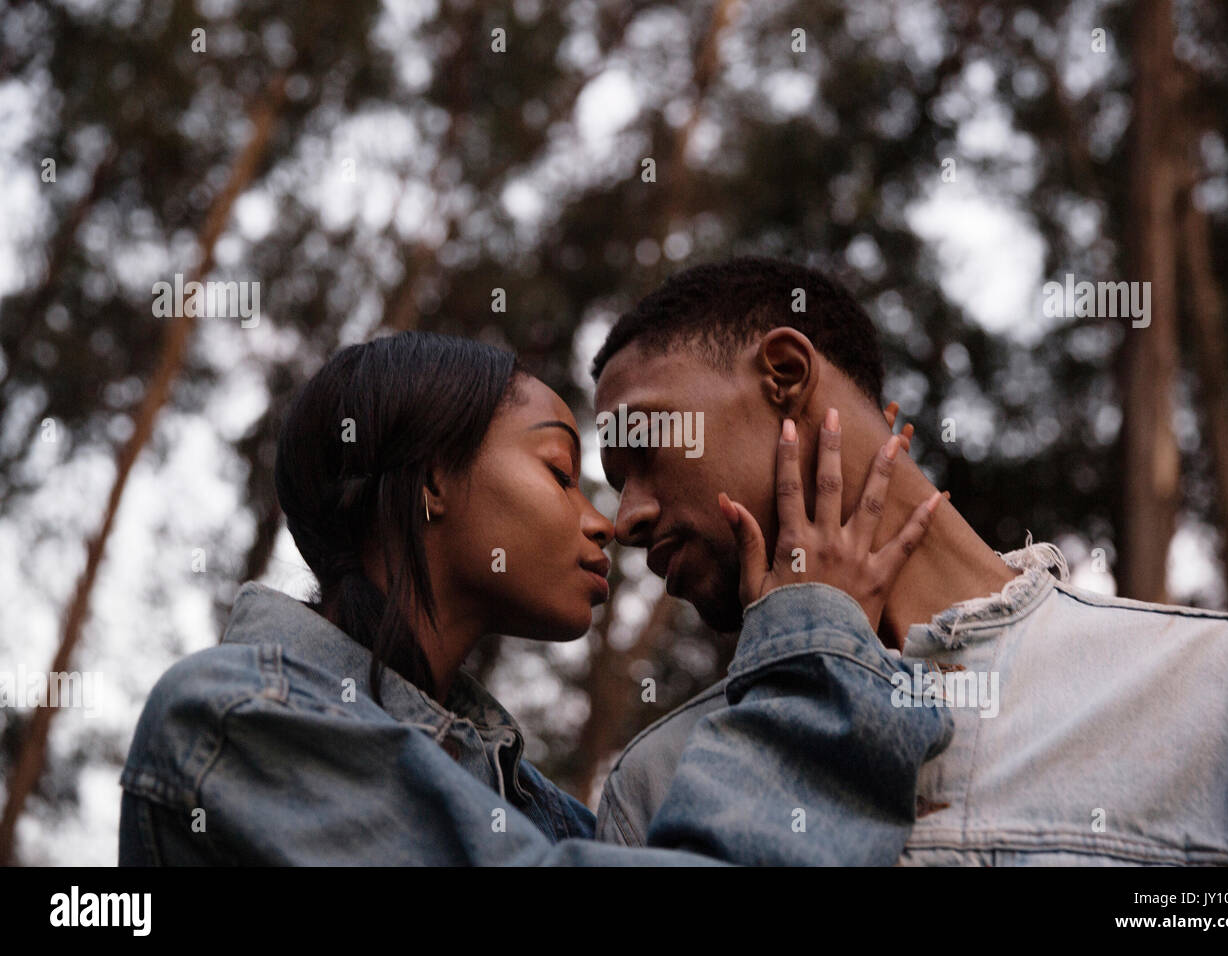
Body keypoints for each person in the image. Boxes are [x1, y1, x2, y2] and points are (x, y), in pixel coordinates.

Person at [117, 331, 952, 865]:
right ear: (431, 481)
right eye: (561, 471)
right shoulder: (235, 720)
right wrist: (815, 644)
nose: (607, 525)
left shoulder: (538, 809)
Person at [590, 256, 1228, 866]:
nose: (626, 520)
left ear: (785, 372)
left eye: (644, 450)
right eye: (616, 486)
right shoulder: (656, 784)